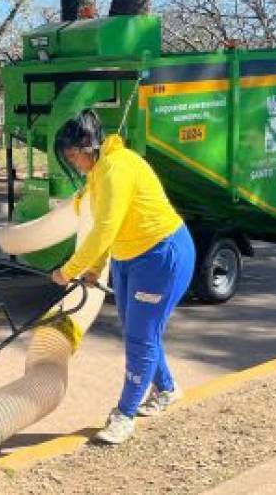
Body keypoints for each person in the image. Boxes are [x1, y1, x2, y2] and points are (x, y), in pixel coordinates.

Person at [50, 109, 195, 445]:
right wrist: (95, 267)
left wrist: (67, 272)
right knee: (137, 330)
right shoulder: (99, 172)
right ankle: (168, 389)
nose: (72, 162)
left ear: (88, 146)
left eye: (73, 155)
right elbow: (107, 228)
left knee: (140, 337)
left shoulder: (117, 167)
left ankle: (124, 416)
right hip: (130, 257)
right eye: (67, 156)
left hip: (162, 255)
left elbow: (102, 230)